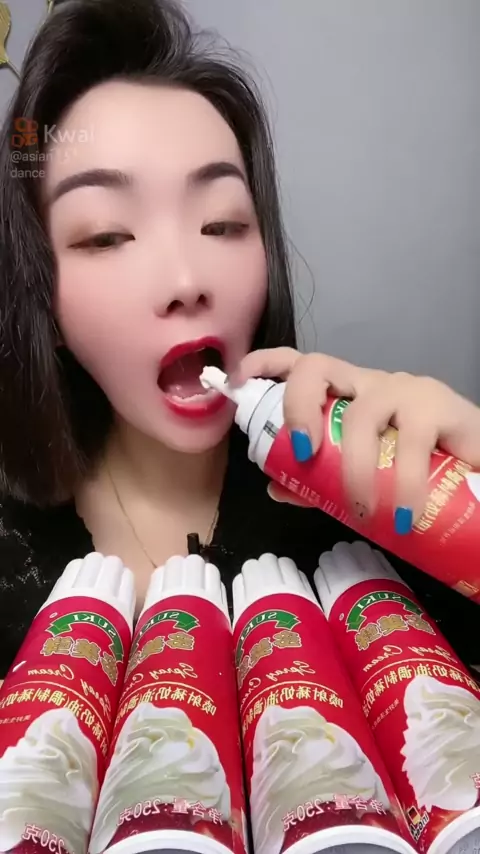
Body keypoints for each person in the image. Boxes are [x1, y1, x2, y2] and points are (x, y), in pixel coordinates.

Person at [0, 0, 478, 682]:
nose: (186, 281)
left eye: (222, 224)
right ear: (41, 294)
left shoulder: (360, 509)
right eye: (107, 235)